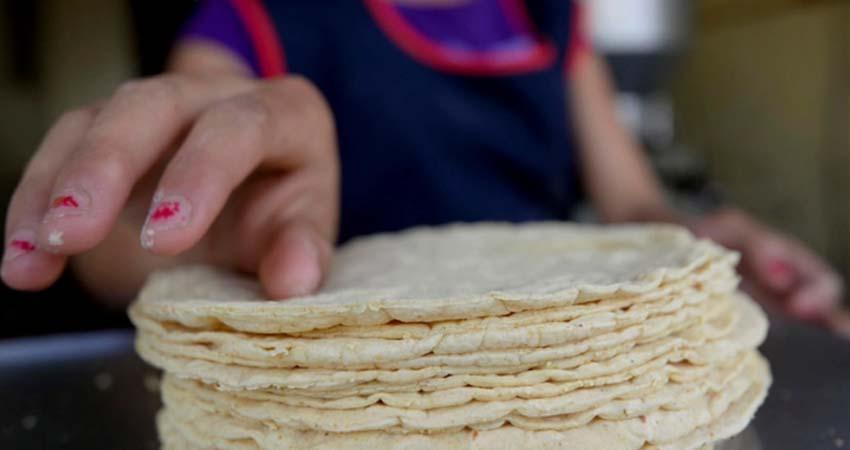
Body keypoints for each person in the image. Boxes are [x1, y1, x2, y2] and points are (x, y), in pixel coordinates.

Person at [1, 0, 844, 329]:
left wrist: (702, 248)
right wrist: (158, 221)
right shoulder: (258, 17)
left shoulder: (550, 15)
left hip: (558, 357)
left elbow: (628, 204)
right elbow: (128, 232)